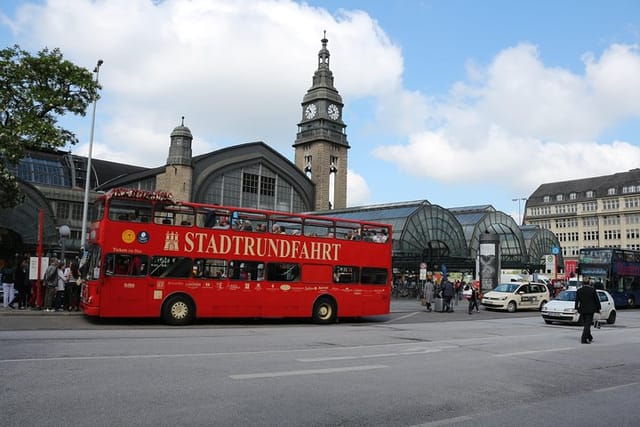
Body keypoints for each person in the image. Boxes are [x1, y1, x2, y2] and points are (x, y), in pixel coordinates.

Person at [575, 277, 601, 344]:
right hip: (590, 310)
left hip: (582, 310)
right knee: (587, 325)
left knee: (586, 324)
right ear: (589, 283)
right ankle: (583, 339)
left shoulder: (579, 290)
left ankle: (589, 337)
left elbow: (577, 301)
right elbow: (596, 300)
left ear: (583, 283)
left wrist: (576, 308)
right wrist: (598, 308)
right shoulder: (592, 290)